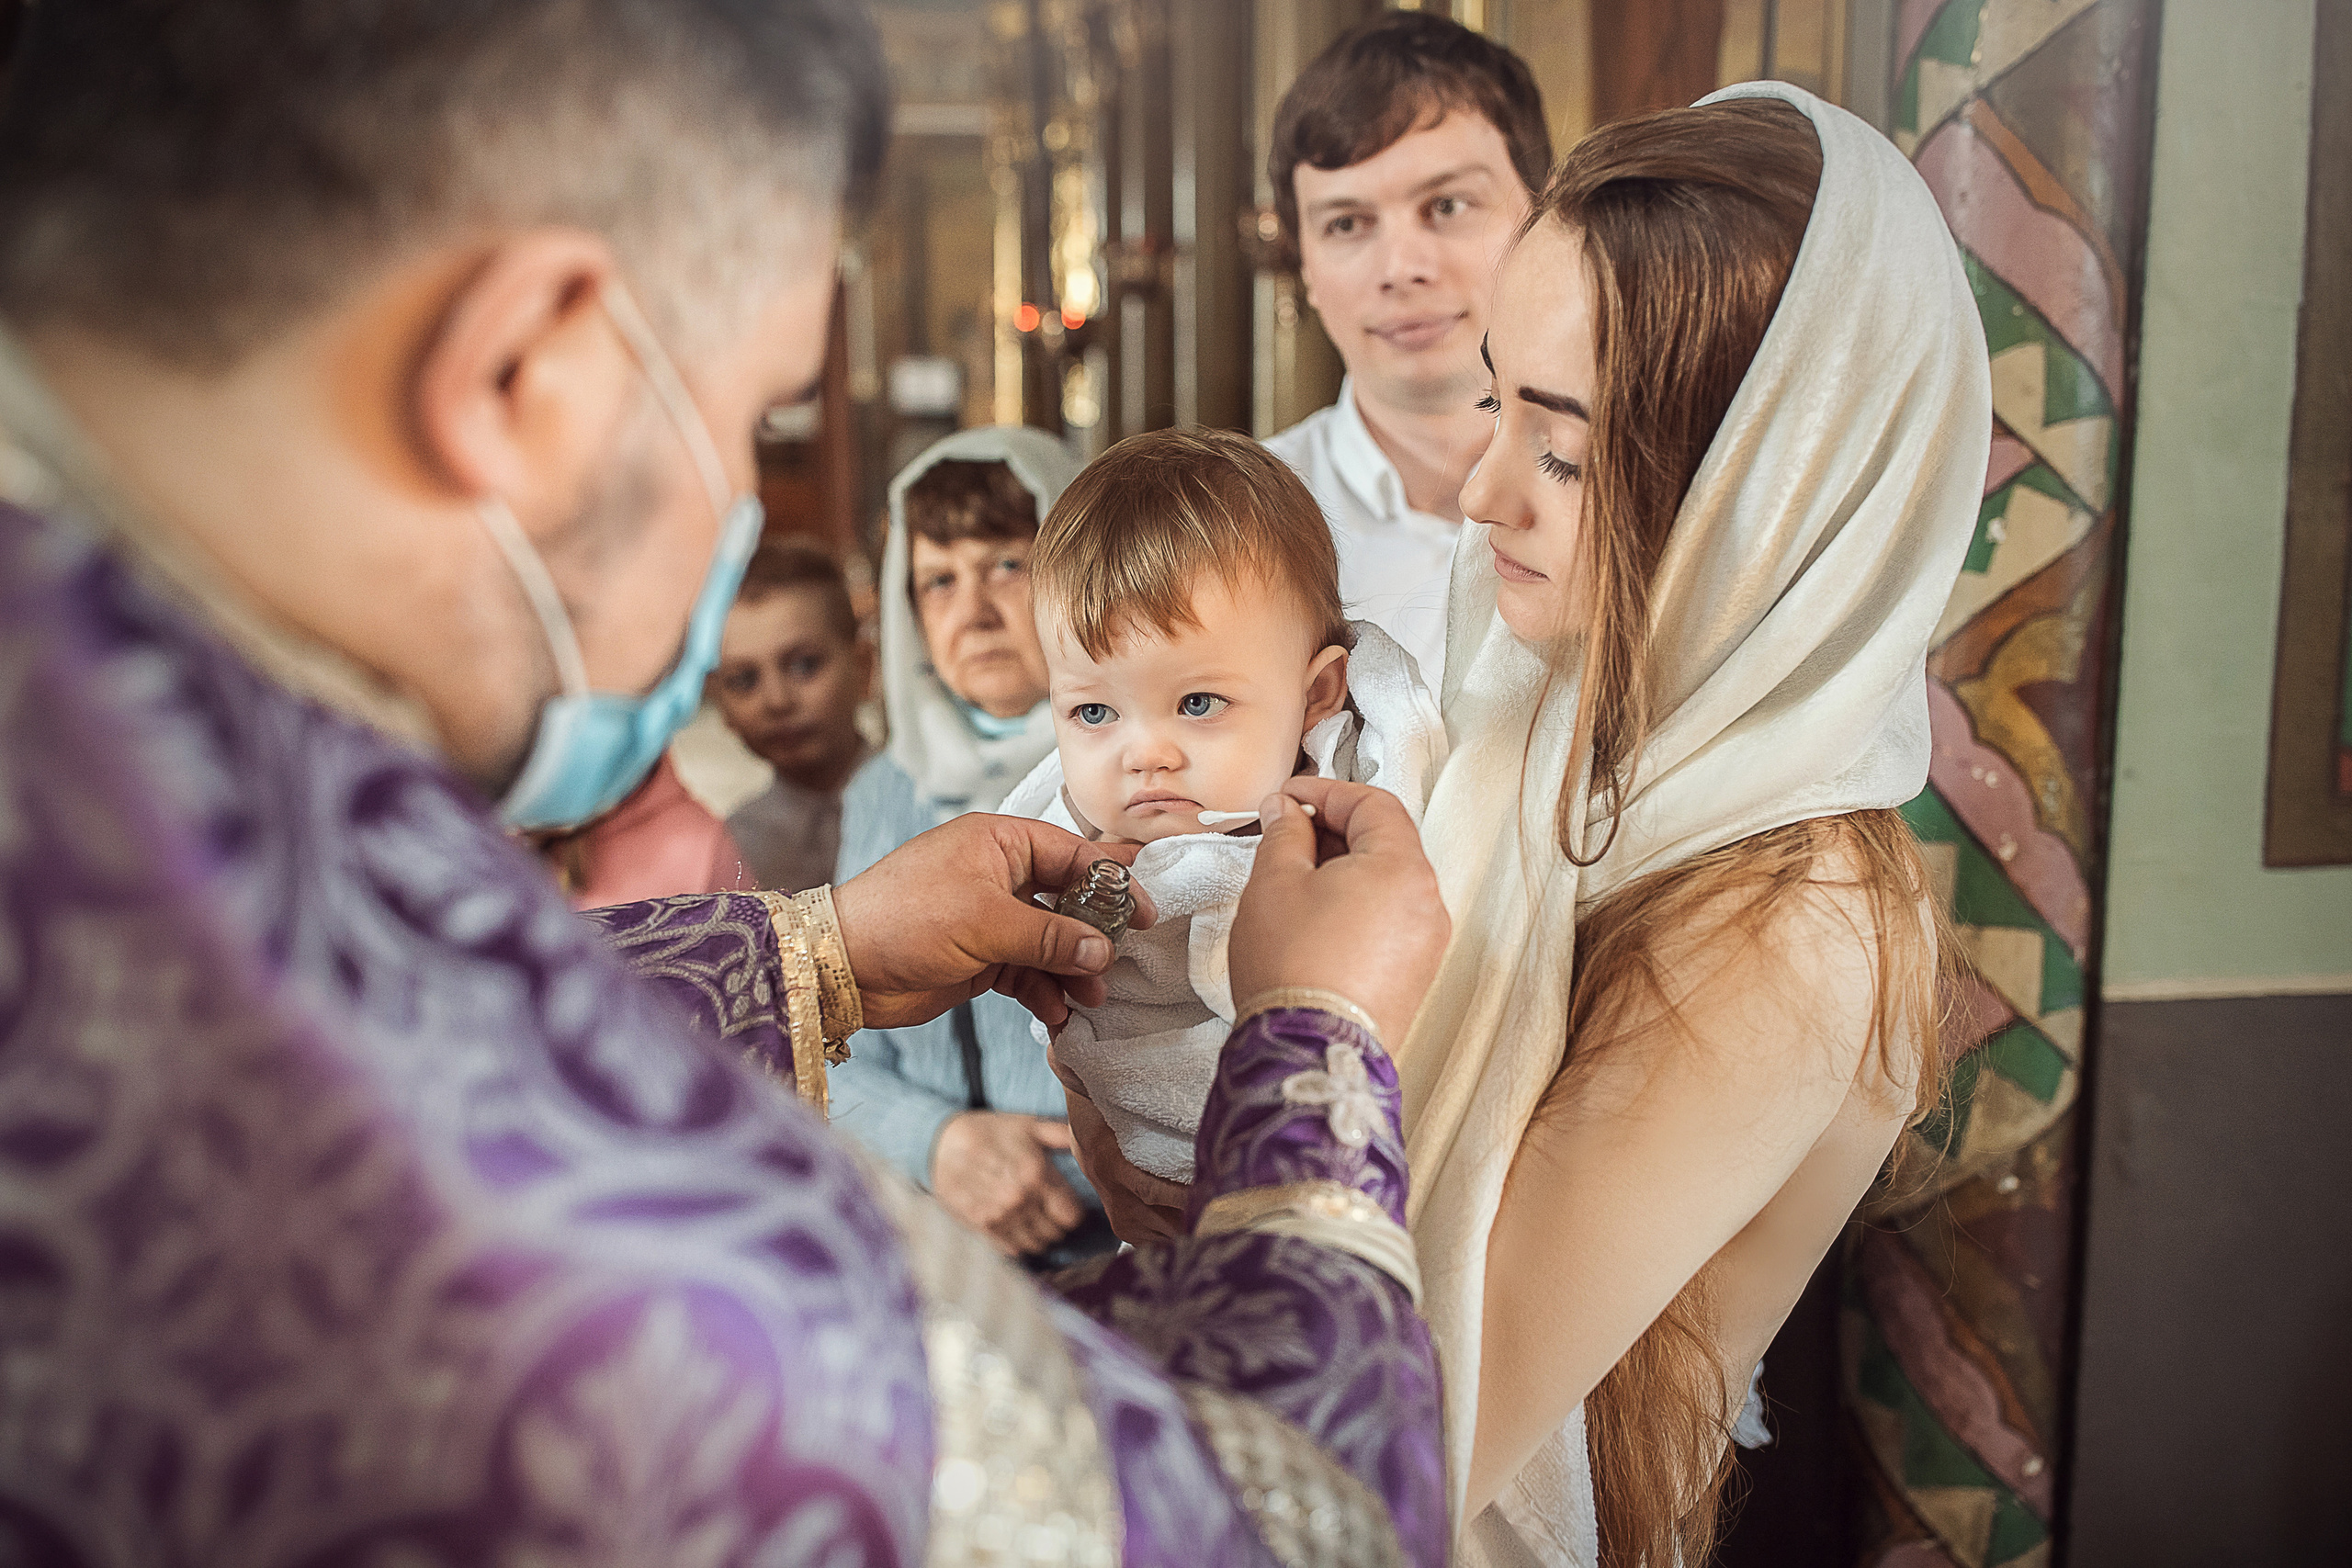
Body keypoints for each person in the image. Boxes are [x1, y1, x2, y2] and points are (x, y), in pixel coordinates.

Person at [0, 3, 1456, 1562]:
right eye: (750, 420)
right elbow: (1289, 1533)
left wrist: (811, 953)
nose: (745, 523)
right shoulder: (458, 1157)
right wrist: (1316, 1048)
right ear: (528, 372)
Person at [1072, 84, 1991, 1567]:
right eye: (1501, 397)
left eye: (1561, 450)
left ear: (1765, 503)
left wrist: (1286, 1045)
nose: (1486, 489)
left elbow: (1392, 1453)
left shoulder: (1789, 916)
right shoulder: (1532, 696)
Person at [1002, 426, 1446, 1185]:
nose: (1146, 753)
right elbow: (1074, 1042)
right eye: (1094, 713)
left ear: (1314, 696)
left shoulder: (1356, 840)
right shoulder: (1064, 853)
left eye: (1198, 702)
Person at [832, 426, 1108, 1261]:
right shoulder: (883, 791)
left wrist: (1050, 1178)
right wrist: (938, 1141)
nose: (973, 611)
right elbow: (827, 1037)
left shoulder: (1147, 771)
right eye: (937, 581)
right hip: (934, 1241)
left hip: (1122, 1240)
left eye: (1004, 564)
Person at [1261, 9, 1552, 690]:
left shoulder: (1651, 488)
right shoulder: (1229, 523)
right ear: (1303, 264)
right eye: (1347, 223)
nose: (1401, 267)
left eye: (1447, 206)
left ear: (1543, 214)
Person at [711, 537, 874, 893]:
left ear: (863, 666)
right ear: (721, 704)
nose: (777, 701)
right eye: (743, 680)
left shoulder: (932, 805)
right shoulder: (727, 851)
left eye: (804, 665)